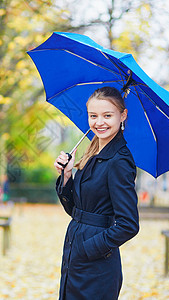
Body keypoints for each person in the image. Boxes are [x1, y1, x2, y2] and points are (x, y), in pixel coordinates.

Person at [54, 86, 139, 300]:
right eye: (93, 116)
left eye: (107, 115)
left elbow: (129, 225)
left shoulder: (119, 160)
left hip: (97, 264)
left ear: (123, 115)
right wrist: (66, 176)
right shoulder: (92, 152)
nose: (99, 122)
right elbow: (76, 210)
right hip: (74, 254)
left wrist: (89, 248)